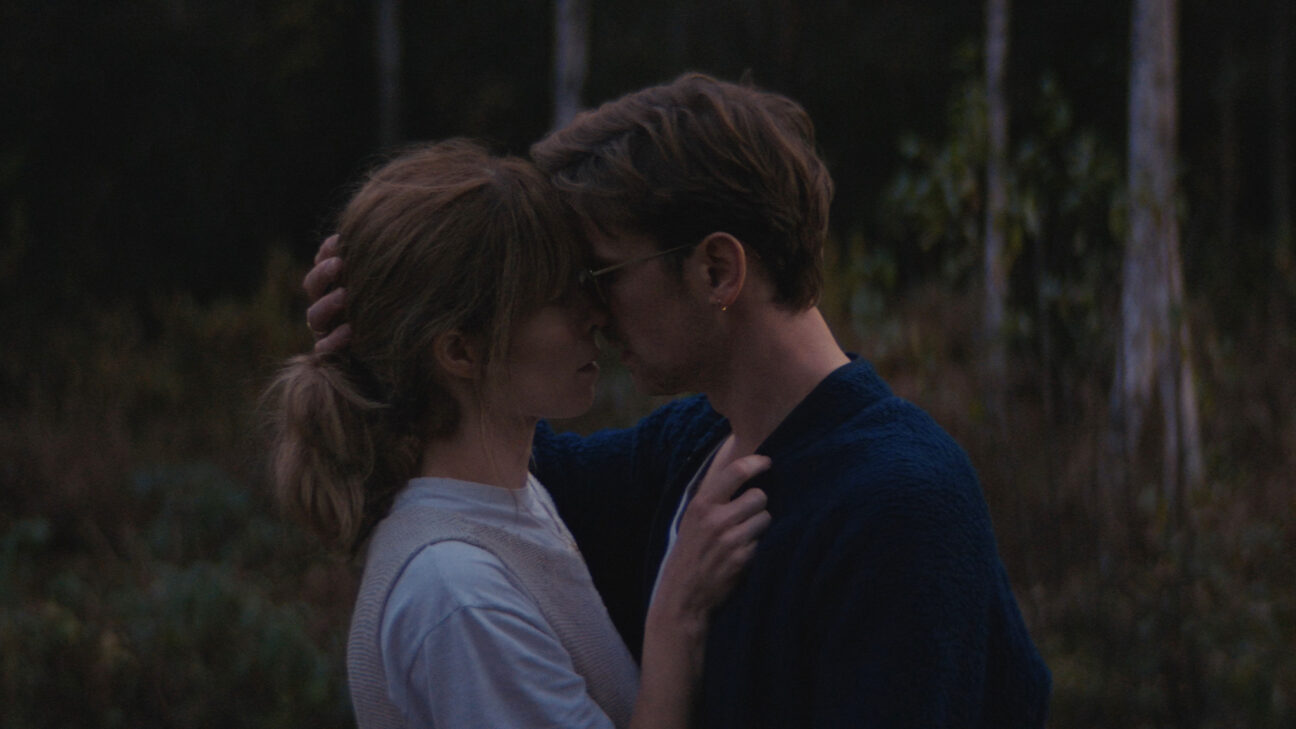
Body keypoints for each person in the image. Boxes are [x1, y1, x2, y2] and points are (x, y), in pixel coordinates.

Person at [306, 74, 1051, 728]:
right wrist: (394, 310)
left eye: (602, 274)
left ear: (717, 270)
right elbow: (480, 461)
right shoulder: (691, 449)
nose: (593, 311)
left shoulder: (902, 508)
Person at [271, 139, 772, 729]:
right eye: (558, 297)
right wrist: (677, 616)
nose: (595, 314)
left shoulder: (510, 500)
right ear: (462, 351)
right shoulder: (455, 593)